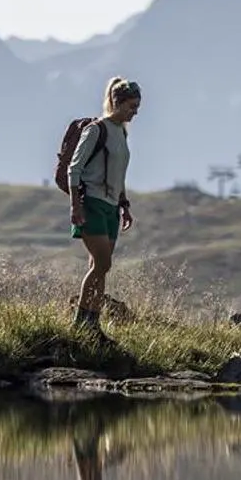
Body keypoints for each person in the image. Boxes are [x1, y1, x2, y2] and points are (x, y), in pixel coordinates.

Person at [67, 77, 142, 333]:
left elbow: (119, 173)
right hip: (92, 204)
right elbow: (73, 169)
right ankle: (81, 322)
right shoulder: (96, 130)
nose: (136, 112)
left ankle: (92, 324)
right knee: (103, 264)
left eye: (137, 107)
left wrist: (124, 204)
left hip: (111, 206)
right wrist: (75, 206)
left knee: (99, 267)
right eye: (132, 106)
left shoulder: (121, 132)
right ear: (117, 102)